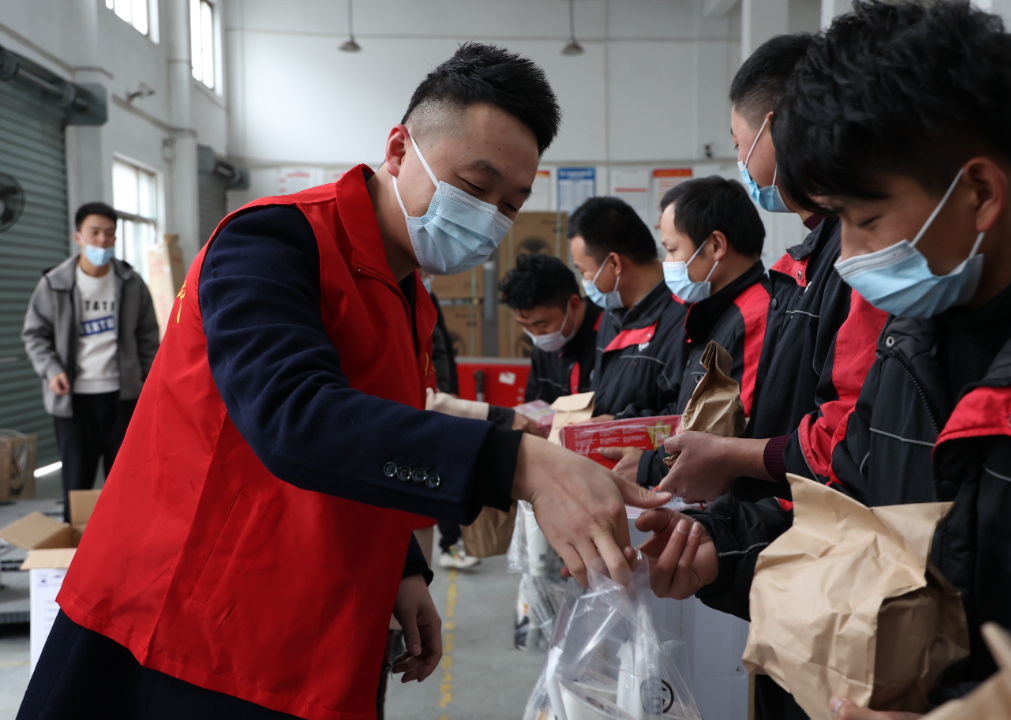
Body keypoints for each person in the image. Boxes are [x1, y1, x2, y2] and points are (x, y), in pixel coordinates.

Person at [18, 44, 668, 720]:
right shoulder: (271, 243)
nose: (490, 219)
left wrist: (401, 564)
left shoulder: (406, 291)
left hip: (307, 617)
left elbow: (368, 435)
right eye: (475, 188)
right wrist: (517, 464)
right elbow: (295, 419)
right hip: (187, 625)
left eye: (510, 204)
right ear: (399, 150)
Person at [638, 3, 1011, 718]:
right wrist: (720, 547)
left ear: (979, 192)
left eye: (866, 220)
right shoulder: (911, 345)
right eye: (835, 220)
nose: (846, 255)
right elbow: (848, 512)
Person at [655, 33, 887, 513]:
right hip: (774, 523)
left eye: (740, 144)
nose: (741, 161)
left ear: (779, 129)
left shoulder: (857, 258)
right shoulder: (802, 266)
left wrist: (726, 458)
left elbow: (841, 442)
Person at [602, 177, 770, 488]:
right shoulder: (715, 312)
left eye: (672, 250)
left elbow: (734, 437)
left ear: (716, 246)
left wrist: (650, 466)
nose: (667, 263)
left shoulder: (754, 314)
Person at [21, 202, 158, 523]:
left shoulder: (131, 282)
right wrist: (52, 370)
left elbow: (148, 338)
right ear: (78, 237)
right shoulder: (54, 283)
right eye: (94, 232)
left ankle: (123, 541)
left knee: (126, 479)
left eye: (109, 234)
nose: (102, 240)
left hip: (123, 398)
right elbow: (35, 335)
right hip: (73, 401)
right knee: (76, 482)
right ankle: (75, 543)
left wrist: (148, 383)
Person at [568, 197, 686, 420]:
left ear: (614, 264)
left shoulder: (683, 318)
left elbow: (687, 413)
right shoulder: (612, 309)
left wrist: (619, 425)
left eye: (584, 272)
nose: (585, 282)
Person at [498, 252, 602, 403]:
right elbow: (535, 404)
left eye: (542, 325)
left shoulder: (610, 334)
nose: (537, 335)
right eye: (525, 326)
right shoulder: (544, 345)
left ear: (574, 306)